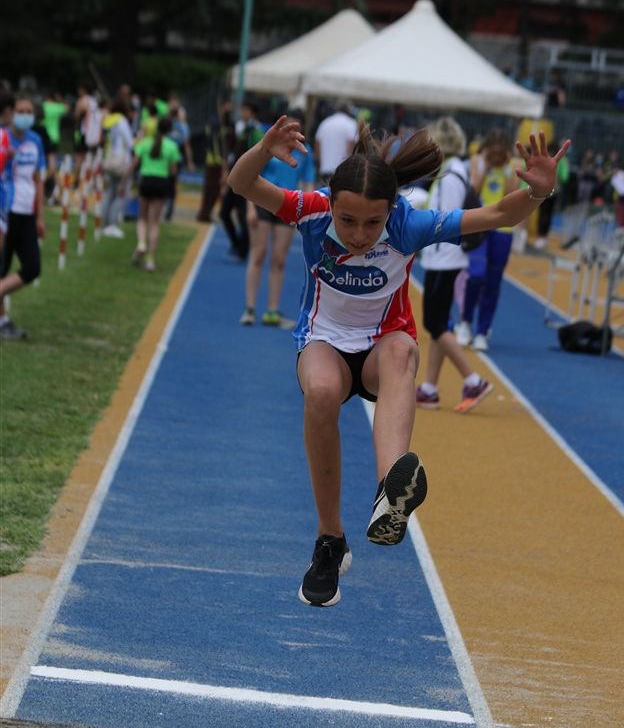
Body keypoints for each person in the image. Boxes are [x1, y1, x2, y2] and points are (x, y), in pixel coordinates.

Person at [228, 115, 569, 607]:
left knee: (404, 348)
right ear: (331, 203)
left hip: (382, 348)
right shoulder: (311, 212)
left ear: (391, 210)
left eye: (373, 223)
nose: (360, 234)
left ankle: (391, 490)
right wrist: (263, 149)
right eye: (348, 221)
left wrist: (537, 192)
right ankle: (330, 540)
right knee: (321, 392)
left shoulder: (409, 225)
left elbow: (498, 214)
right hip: (324, 341)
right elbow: (241, 183)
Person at [415, 116, 493, 413]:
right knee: (440, 323)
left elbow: (445, 220)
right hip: (444, 256)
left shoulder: (448, 175)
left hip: (444, 257)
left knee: (433, 323)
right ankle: (429, 388)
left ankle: (473, 379)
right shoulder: (451, 170)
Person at [239, 108, 314, 328]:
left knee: (279, 260)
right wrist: (250, 208)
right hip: (262, 202)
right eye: (289, 126)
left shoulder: (305, 152)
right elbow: (251, 176)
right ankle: (250, 307)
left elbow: (308, 182)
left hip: (288, 206)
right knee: (258, 254)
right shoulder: (270, 145)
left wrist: (308, 212)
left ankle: (272, 310)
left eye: (297, 127)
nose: (292, 130)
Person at [456, 128, 520, 351]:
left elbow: (511, 195)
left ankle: (483, 331)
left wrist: (509, 168)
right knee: (476, 274)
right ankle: (465, 322)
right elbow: (475, 189)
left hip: (503, 230)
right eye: (494, 153)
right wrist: (485, 165)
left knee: (493, 282)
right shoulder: (478, 160)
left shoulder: (514, 165)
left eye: (501, 154)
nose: (497, 158)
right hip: (481, 225)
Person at [0, 94, 46, 340]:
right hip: (5, 211)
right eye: (21, 111)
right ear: (11, 112)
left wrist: (40, 216)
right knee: (2, 266)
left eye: (29, 112)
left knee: (33, 267)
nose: (25, 115)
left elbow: (39, 179)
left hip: (27, 212)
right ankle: (3, 322)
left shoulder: (35, 140)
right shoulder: (2, 137)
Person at [129, 117, 181, 272]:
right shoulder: (172, 146)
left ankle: (141, 243)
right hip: (161, 182)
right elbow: (173, 170)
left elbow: (135, 163)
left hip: (146, 180)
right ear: (169, 130)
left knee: (142, 217)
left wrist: (126, 178)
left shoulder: (145, 143)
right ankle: (150, 259)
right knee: (155, 222)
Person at [102, 98, 135, 235]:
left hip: (108, 159)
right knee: (122, 194)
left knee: (109, 193)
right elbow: (129, 143)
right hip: (121, 161)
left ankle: (104, 223)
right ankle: (113, 224)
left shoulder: (108, 120)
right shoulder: (122, 121)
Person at [314, 100, 359, 182]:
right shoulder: (351, 124)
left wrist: (320, 165)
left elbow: (317, 148)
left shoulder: (325, 123)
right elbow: (351, 148)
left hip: (325, 170)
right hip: (343, 171)